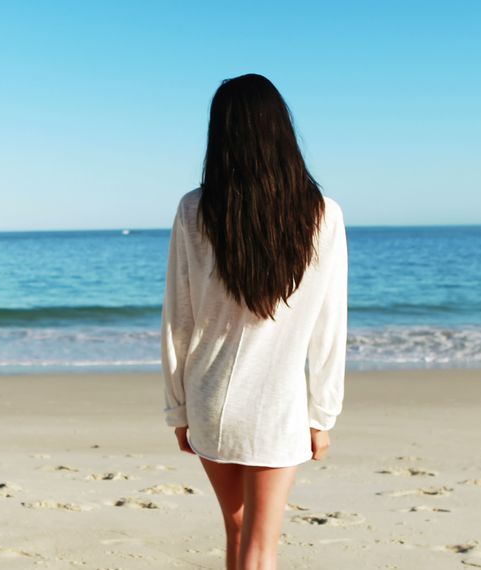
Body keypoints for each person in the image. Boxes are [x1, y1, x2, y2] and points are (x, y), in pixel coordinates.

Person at [160, 73, 349, 570]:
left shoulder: (195, 210)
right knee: (261, 547)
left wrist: (177, 408)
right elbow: (330, 326)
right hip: (275, 405)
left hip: (208, 397)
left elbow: (178, 318)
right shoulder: (322, 214)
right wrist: (321, 415)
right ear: (280, 131)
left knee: (238, 531)